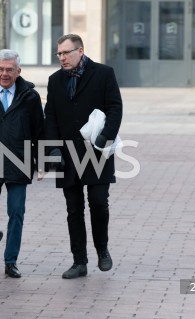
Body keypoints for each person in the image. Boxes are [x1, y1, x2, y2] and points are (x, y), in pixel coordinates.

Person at [43, 34, 122, 279]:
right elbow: (51, 116)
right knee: (73, 209)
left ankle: (102, 250)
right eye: (59, 54)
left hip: (96, 151)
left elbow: (115, 108)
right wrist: (53, 149)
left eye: (66, 53)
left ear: (81, 51)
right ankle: (79, 261)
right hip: (67, 153)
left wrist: (105, 137)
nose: (62, 58)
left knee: (99, 203)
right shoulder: (55, 80)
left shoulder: (103, 73)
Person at [0, 49, 44, 278]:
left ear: (18, 71)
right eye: (0, 69)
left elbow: (39, 130)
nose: (4, 74)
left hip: (20, 159)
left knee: (16, 213)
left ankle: (10, 261)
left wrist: (43, 161)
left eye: (9, 70)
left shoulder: (30, 97)